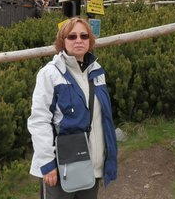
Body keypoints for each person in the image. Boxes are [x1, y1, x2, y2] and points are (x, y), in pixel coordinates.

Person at [28, 17, 118, 199]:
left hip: (92, 163)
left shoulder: (97, 71)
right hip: (62, 165)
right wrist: (47, 163)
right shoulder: (50, 73)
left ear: (90, 40)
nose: (78, 40)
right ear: (62, 41)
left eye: (84, 36)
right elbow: (39, 120)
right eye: (72, 36)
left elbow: (103, 118)